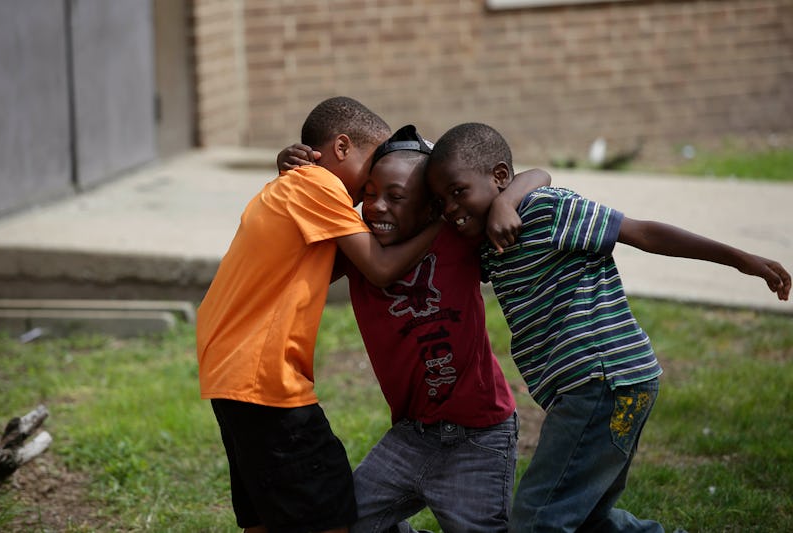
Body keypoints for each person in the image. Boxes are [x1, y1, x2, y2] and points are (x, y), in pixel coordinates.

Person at [425, 122, 791, 533]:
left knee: (537, 521)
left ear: (498, 177)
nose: (451, 209)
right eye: (441, 201)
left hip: (601, 381)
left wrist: (740, 260)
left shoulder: (545, 210)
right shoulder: (487, 245)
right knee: (587, 520)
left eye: (458, 192)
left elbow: (642, 232)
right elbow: (532, 174)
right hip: (603, 386)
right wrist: (501, 199)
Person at [277, 124, 551, 533]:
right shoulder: (357, 252)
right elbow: (294, 246)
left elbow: (538, 175)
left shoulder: (458, 238)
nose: (377, 207)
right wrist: (289, 173)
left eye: (396, 196)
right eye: (369, 194)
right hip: (411, 435)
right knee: (342, 524)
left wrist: (506, 202)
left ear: (430, 209)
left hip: (479, 434)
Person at [196, 97, 442, 533]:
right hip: (265, 378)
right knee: (327, 510)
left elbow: (340, 264)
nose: (377, 177)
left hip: (230, 371)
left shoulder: (295, 188)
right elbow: (380, 268)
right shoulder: (317, 184)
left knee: (265, 513)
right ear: (342, 147)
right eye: (374, 161)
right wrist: (442, 222)